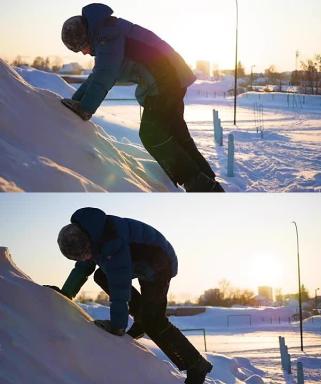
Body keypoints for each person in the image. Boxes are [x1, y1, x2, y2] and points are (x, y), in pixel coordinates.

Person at [59, 3, 223, 192]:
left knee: (151, 134)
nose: (85, 53)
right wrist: (76, 100)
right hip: (171, 78)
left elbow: (106, 73)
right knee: (176, 134)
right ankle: (209, 184)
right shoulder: (107, 30)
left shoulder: (107, 34)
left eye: (83, 47)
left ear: (86, 36)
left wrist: (85, 107)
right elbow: (97, 75)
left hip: (165, 80)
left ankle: (199, 185)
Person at [46, 207, 212, 384]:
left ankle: (196, 365)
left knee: (154, 321)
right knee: (101, 275)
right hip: (139, 260)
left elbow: (120, 286)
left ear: (88, 243)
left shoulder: (111, 242)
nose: (86, 259)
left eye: (85, 254)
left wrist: (117, 325)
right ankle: (142, 320)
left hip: (160, 263)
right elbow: (83, 267)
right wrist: (66, 292)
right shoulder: (91, 235)